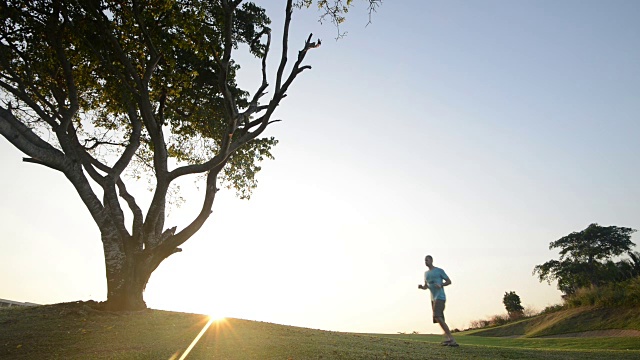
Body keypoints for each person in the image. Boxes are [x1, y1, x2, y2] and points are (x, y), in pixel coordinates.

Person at [418, 255, 458, 347]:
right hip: (432, 298)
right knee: (438, 318)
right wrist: (422, 287)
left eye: (427, 260)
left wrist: (441, 285)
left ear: (431, 260)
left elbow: (449, 281)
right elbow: (426, 286)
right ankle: (448, 339)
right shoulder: (426, 273)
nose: (425, 262)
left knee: (437, 315)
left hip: (440, 297)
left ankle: (452, 339)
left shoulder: (439, 271)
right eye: (424, 260)